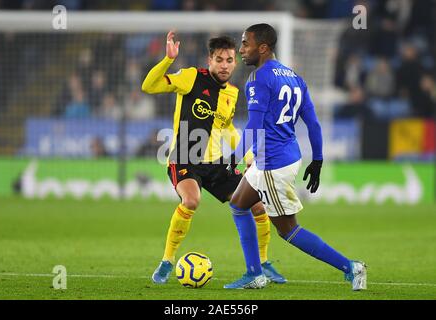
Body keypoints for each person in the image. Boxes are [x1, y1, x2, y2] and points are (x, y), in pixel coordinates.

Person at [223, 23, 367, 290]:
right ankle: (254, 273)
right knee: (239, 204)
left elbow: (254, 125)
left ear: (263, 48)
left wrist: (234, 156)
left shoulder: (258, 79)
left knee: (288, 230)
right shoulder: (295, 78)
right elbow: (312, 124)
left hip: (273, 164)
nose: (241, 49)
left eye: (245, 43)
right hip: (286, 155)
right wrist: (318, 159)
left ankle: (352, 267)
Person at [141, 30, 284, 285]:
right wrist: (167, 60)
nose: (225, 65)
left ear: (235, 62)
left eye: (229, 60)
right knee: (192, 200)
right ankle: (166, 261)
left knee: (258, 205)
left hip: (217, 164)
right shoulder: (191, 77)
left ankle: (263, 264)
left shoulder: (232, 93)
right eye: (219, 59)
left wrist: (248, 154)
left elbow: (226, 128)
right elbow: (148, 86)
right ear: (210, 60)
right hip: (184, 158)